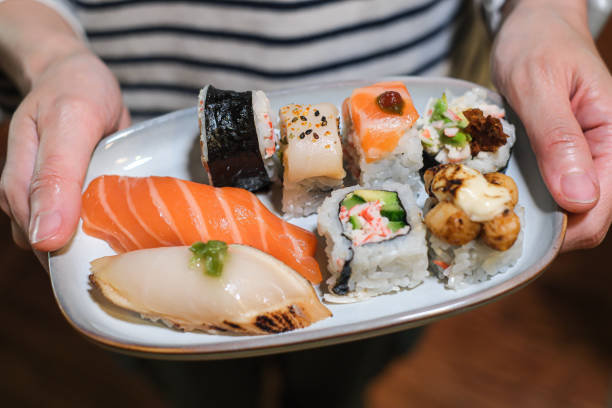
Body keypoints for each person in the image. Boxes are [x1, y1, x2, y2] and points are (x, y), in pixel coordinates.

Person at [0, 0, 611, 406]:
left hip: (402, 95)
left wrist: (549, 13)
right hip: (135, 103)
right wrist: (51, 53)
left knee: (342, 374)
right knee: (197, 377)